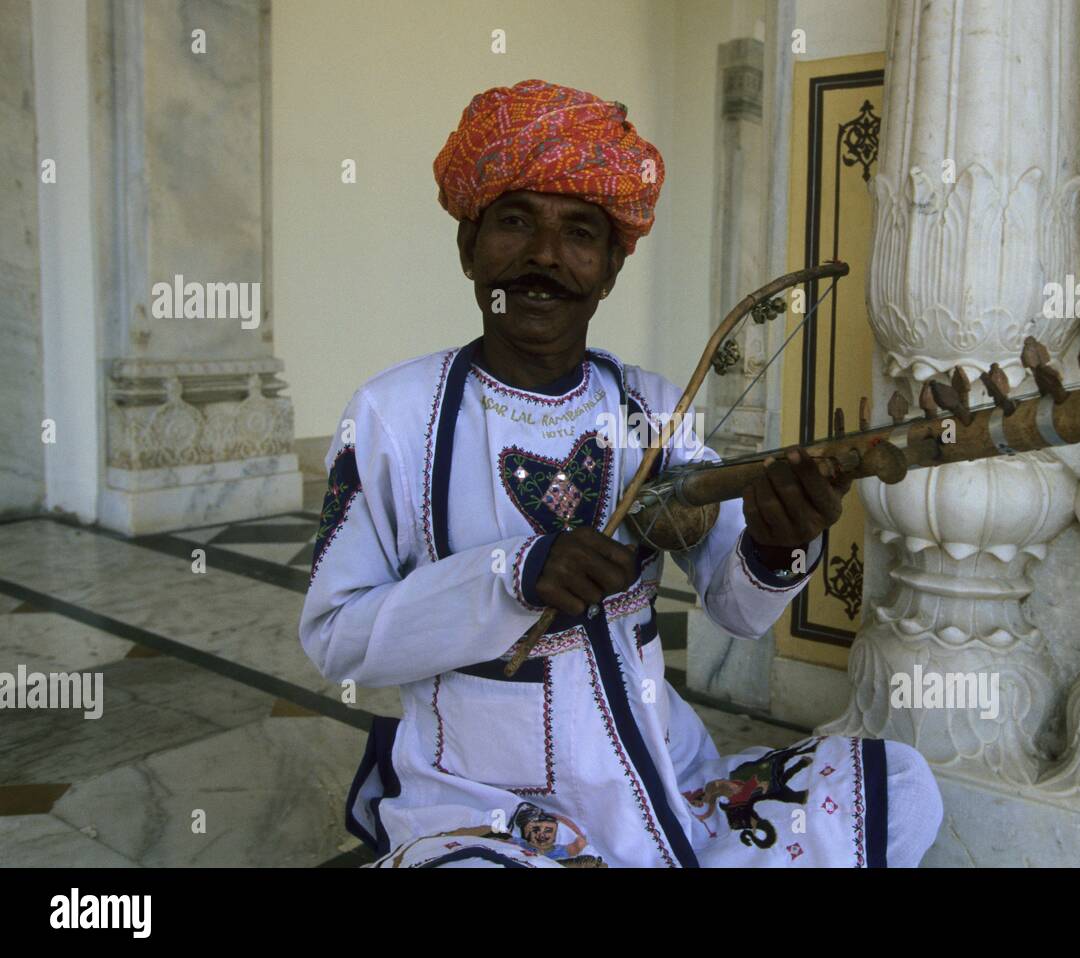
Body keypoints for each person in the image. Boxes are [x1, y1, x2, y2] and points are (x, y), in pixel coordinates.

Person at [299, 78, 942, 868]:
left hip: (669, 780)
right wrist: (513, 575)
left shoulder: (653, 409)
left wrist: (775, 547)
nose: (543, 257)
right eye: (513, 222)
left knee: (898, 783)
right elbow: (335, 638)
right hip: (491, 809)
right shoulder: (391, 417)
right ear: (469, 247)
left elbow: (737, 611)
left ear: (608, 269)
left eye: (579, 233)